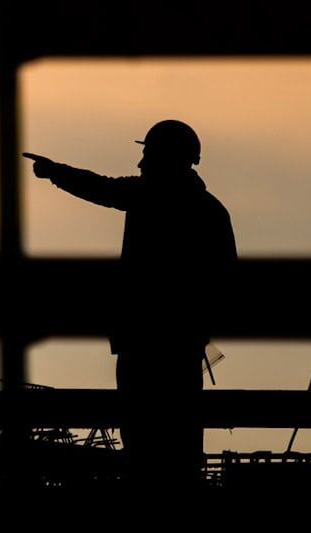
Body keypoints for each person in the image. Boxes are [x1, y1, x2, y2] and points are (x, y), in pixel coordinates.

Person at [24, 120, 237, 487]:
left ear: (167, 158)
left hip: (146, 342)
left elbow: (100, 188)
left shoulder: (150, 196)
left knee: (142, 441)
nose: (140, 162)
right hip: (182, 345)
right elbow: (227, 279)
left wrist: (54, 172)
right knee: (178, 439)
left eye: (148, 154)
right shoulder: (211, 210)